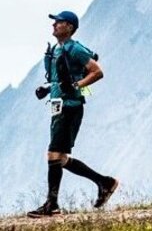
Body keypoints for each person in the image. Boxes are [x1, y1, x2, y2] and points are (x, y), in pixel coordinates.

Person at [27, 11, 119, 218]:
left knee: (53, 155)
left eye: (58, 22)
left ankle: (52, 205)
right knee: (60, 158)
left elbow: (97, 72)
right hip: (59, 104)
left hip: (70, 106)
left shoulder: (75, 48)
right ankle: (105, 182)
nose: (54, 25)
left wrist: (77, 86)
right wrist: (47, 89)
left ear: (69, 27)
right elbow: (62, 80)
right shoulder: (57, 50)